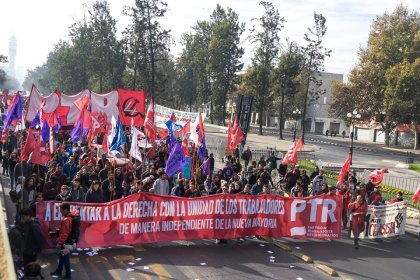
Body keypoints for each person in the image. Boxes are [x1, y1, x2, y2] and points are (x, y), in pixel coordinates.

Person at [50, 203, 80, 279]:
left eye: (61, 210)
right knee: (62, 256)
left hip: (66, 243)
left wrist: (59, 243)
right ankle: (59, 270)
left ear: (65, 209)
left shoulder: (67, 219)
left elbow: (65, 233)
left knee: (65, 258)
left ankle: (68, 275)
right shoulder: (72, 217)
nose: (60, 212)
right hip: (70, 242)